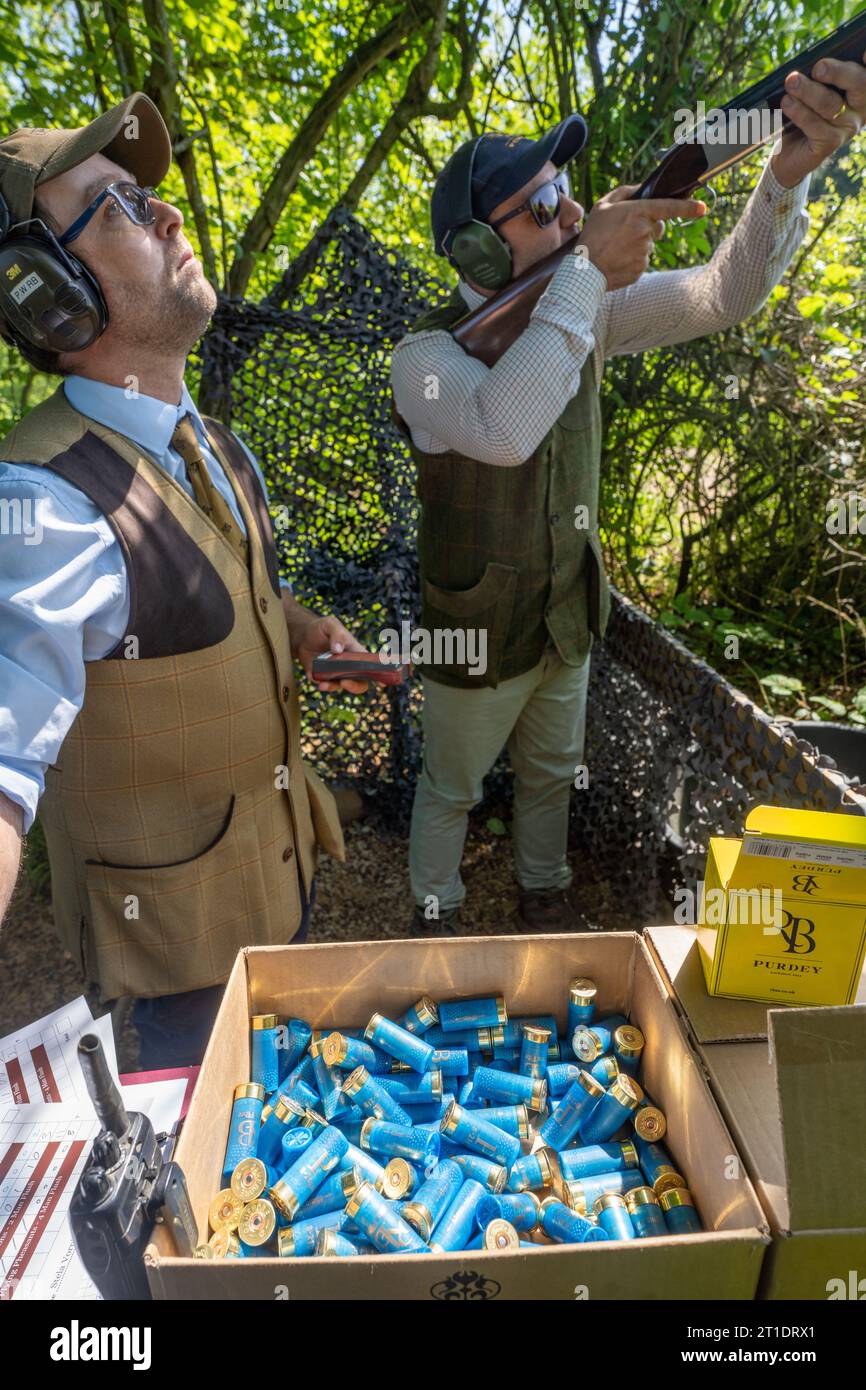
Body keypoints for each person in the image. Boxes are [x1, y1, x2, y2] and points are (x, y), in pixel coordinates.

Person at [392, 58, 866, 936]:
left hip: (567, 610)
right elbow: (504, 428)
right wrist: (585, 275)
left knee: (551, 774)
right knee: (449, 787)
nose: (571, 214)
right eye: (542, 208)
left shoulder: (584, 305)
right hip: (474, 624)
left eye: (565, 192)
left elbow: (722, 296)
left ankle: (543, 901)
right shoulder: (422, 359)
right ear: (476, 249)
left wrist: (780, 180)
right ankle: (437, 918)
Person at [0, 93, 368, 1066]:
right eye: (117, 207)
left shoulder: (216, 445)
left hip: (277, 887)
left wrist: (294, 626)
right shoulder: (42, 504)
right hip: (180, 976)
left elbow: (202, 587)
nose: (168, 214)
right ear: (49, 291)